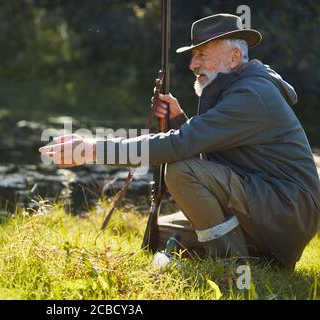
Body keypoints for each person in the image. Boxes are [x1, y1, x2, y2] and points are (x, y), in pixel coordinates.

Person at [39, 14, 320, 269]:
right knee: (158, 233)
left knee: (180, 171)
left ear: (234, 58)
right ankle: (258, 258)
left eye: (201, 54)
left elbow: (179, 146)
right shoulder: (235, 86)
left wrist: (90, 150)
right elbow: (211, 153)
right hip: (265, 203)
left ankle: (232, 266)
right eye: (193, 55)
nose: (192, 64)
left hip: (286, 213)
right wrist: (179, 119)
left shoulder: (250, 96)